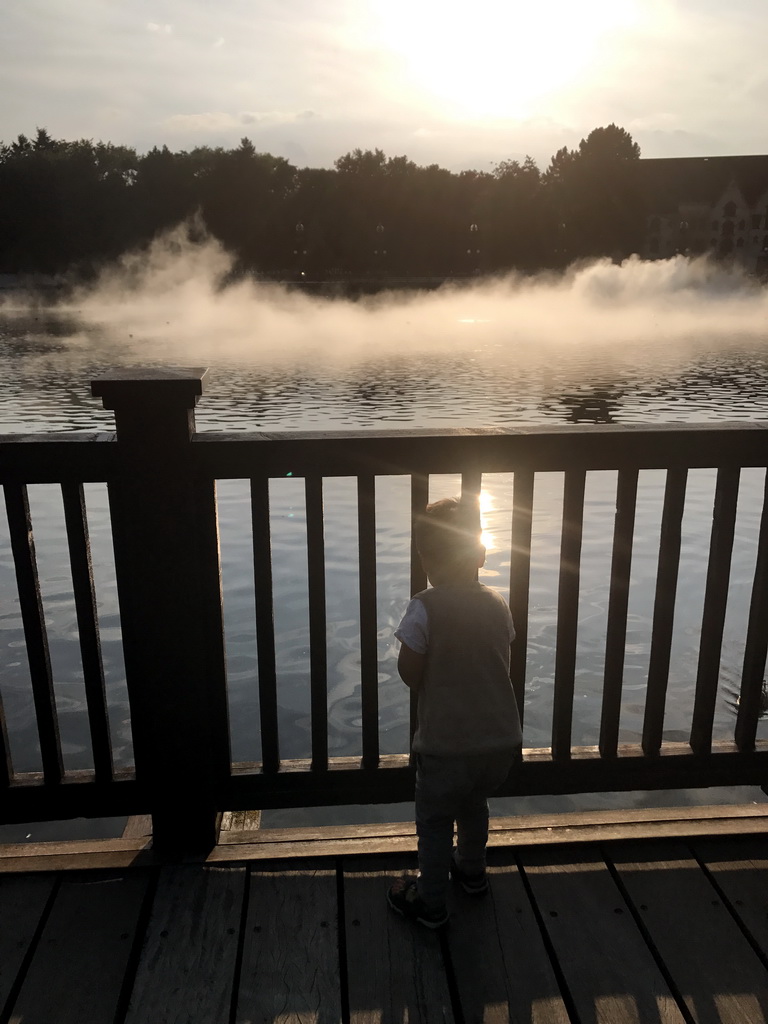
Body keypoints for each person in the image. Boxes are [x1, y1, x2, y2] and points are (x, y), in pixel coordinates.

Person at [387, 496, 522, 928]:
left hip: (445, 747)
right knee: (474, 805)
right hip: (497, 745)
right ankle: (473, 873)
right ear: (481, 553)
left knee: (434, 820)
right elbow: (500, 652)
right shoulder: (497, 604)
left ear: (425, 557)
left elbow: (410, 672)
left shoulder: (425, 607)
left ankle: (429, 903)